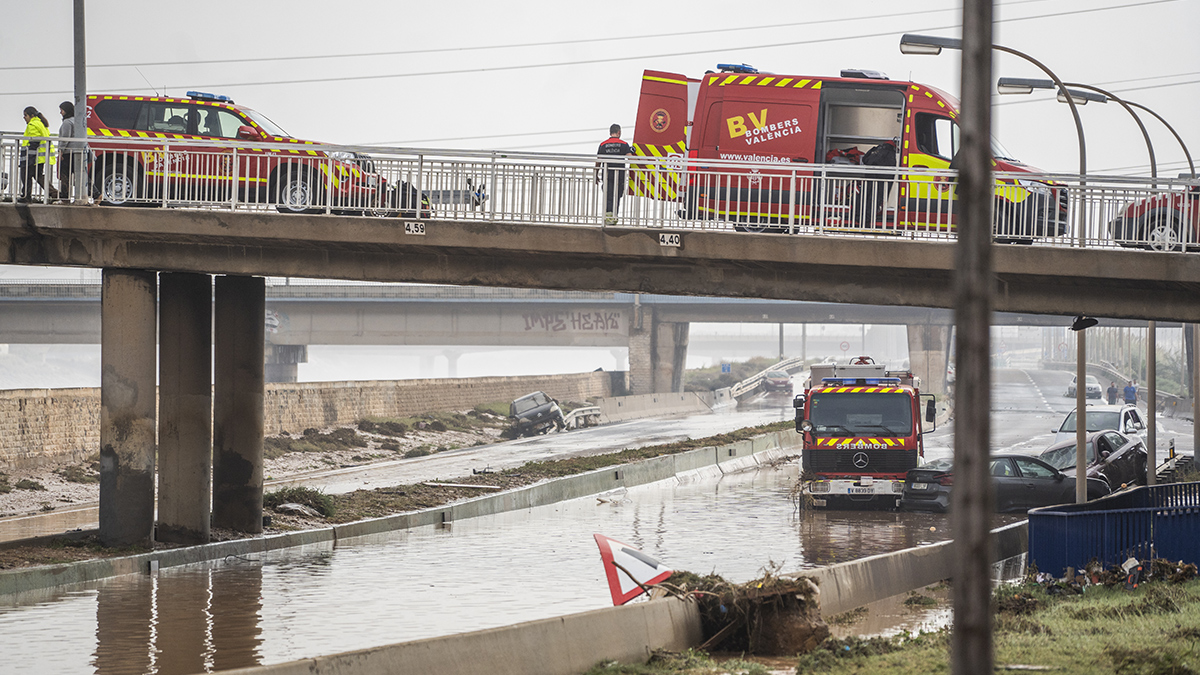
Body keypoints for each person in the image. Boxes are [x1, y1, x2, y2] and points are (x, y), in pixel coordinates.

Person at [595, 124, 632, 225]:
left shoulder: (603, 145)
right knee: (617, 195)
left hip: (607, 175)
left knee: (608, 195)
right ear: (619, 132)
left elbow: (598, 161)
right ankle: (614, 216)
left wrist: (596, 174)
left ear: (610, 132)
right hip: (620, 175)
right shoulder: (624, 144)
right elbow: (631, 158)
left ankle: (608, 217)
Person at [18, 106, 57, 203]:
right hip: (40, 157)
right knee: (38, 176)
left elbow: (34, 142)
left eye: (25, 115)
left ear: (31, 115)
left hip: (33, 157)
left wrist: (29, 158)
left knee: (25, 175)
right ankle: (54, 193)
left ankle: (26, 196)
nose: (24, 117)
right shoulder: (41, 123)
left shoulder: (33, 124)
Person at [56, 101, 82, 204]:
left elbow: (65, 138)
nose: (60, 112)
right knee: (80, 175)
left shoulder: (67, 122)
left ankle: (64, 198)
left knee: (64, 176)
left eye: (61, 110)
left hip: (67, 153)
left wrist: (61, 151)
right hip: (76, 152)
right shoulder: (77, 121)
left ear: (66, 111)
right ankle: (95, 193)